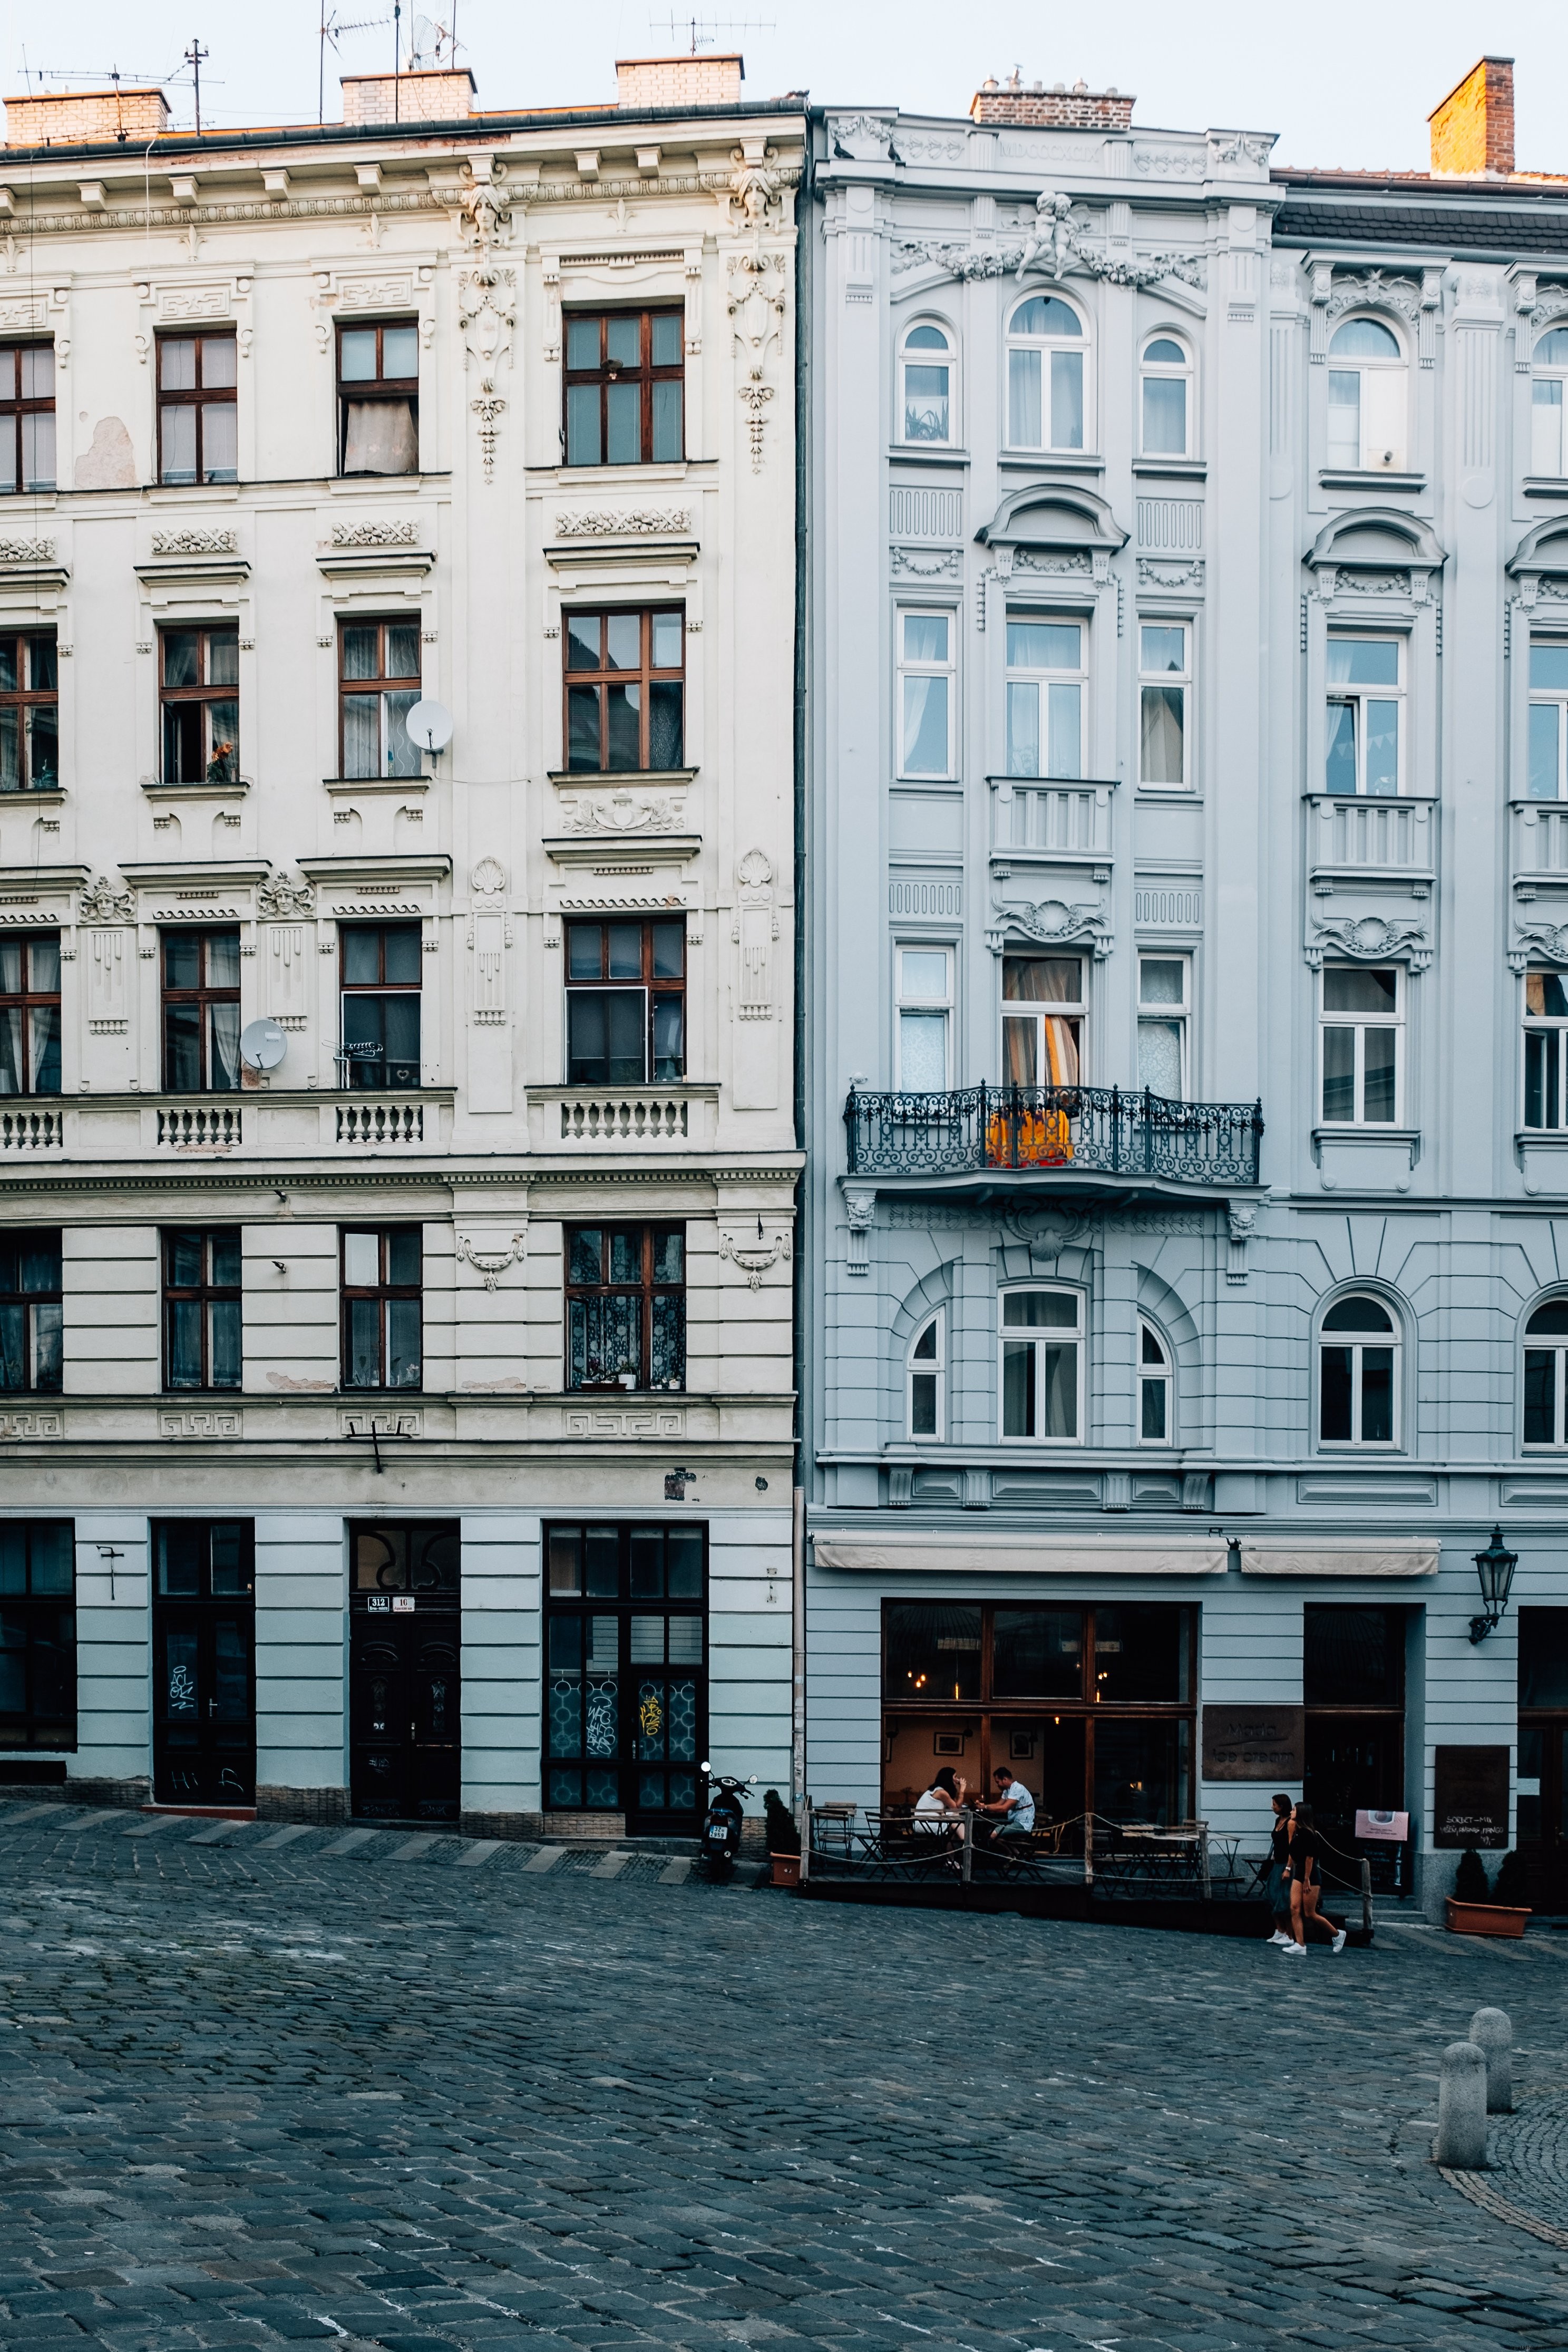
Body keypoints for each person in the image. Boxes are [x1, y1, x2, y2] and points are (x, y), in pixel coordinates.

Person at [1281, 1801, 1347, 1956]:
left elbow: (1310, 1858)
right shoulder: (1297, 1830)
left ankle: (1337, 1934)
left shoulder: (1308, 1833)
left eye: (1294, 1810)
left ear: (1301, 1813)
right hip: (1300, 1874)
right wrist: (1289, 1869)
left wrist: (1306, 1879)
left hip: (1310, 1876)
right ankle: (1300, 1944)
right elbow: (1293, 1851)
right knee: (1294, 1908)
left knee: (1310, 1913)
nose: (1291, 1812)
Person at [975, 1765, 1037, 1840]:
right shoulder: (1007, 1790)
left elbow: (1004, 1808)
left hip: (1023, 1825)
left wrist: (985, 1807)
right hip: (1013, 1821)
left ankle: (1013, 1852)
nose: (997, 1785)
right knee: (988, 1831)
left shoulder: (1017, 1788)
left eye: (998, 1782)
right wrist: (984, 1806)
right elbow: (998, 1805)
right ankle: (1014, 1852)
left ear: (1005, 1779)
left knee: (993, 1834)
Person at [1264, 1792, 1294, 1947]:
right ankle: (1280, 1930)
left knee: (1284, 1899)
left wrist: (1288, 1868)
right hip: (1277, 1863)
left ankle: (1289, 1934)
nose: (1272, 1807)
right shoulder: (1278, 1820)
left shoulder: (1291, 1823)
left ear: (1282, 1806)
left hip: (1286, 1865)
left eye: (1274, 1805)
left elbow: (1292, 1847)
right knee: (1271, 1894)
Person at [911, 1765, 966, 1833]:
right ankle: (967, 1842)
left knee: (954, 1821)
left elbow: (956, 1806)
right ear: (949, 1778)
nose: (958, 1779)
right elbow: (956, 1809)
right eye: (955, 1777)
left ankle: (963, 1842)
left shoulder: (940, 1790)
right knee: (954, 1817)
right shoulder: (941, 1792)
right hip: (925, 1824)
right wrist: (962, 1790)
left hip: (926, 1822)